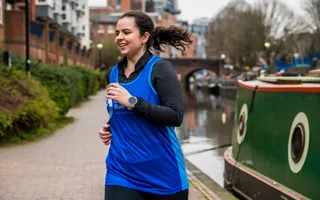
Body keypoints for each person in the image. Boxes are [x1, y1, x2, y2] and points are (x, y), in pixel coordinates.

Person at [98, 10, 193, 200]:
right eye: (117, 33)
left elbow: (175, 116)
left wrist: (133, 102)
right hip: (121, 171)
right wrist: (111, 126)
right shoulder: (112, 74)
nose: (119, 38)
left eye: (126, 32)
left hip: (163, 174)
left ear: (144, 37)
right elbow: (119, 110)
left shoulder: (161, 69)